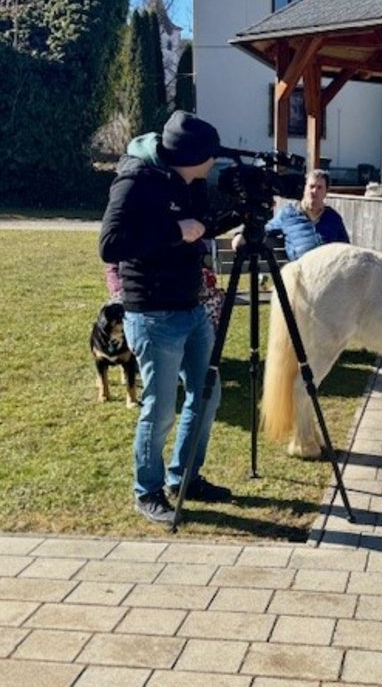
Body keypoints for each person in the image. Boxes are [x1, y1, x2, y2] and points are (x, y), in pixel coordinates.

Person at [99, 110, 232, 525]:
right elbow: (110, 244)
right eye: (208, 157)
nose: (213, 163)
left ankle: (186, 477)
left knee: (207, 393)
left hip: (191, 304)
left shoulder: (189, 180)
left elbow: (202, 225)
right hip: (153, 311)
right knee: (160, 408)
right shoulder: (135, 180)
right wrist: (176, 230)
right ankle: (148, 490)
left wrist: (232, 223)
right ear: (188, 157)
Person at [254, 169, 349, 261]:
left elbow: (346, 249)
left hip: (327, 271)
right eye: (311, 186)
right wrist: (241, 234)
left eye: (319, 187)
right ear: (304, 188)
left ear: (325, 192)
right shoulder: (289, 213)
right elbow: (265, 229)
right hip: (300, 272)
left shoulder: (333, 218)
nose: (314, 191)